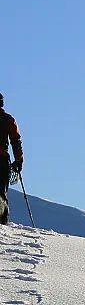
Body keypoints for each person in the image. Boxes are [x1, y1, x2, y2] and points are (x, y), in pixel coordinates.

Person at [0, 93, 24, 224]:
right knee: (1, 192)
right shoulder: (8, 119)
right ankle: (2, 222)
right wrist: (18, 160)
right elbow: (16, 141)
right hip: (2, 160)